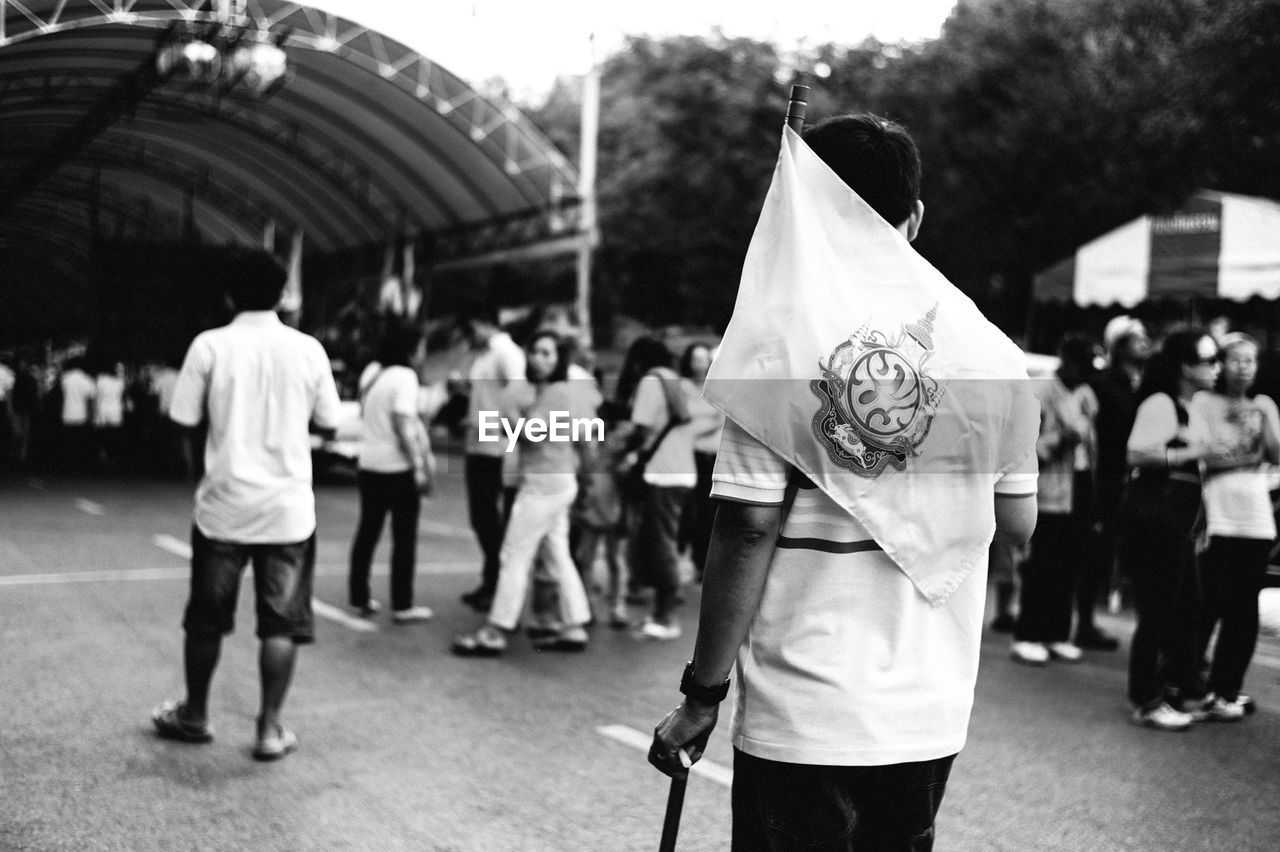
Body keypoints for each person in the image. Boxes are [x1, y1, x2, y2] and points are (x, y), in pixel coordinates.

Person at [648, 114, 1038, 849]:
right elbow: (1016, 526)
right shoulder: (990, 352)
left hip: (804, 708)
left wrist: (703, 695)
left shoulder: (780, 345)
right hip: (927, 708)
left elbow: (747, 528)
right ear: (914, 218)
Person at [150, 249, 342, 761]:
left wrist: (203, 475)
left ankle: (194, 714)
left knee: (206, 620)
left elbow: (182, 421)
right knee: (282, 623)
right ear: (283, 295)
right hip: (288, 512)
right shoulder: (309, 350)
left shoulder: (209, 346)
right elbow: (329, 422)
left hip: (223, 509)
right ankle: (269, 729)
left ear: (228, 295)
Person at [452, 330, 595, 656]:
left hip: (543, 485)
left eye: (548, 353)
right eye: (536, 351)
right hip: (554, 482)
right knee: (557, 554)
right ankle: (574, 625)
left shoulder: (558, 392)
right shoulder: (544, 390)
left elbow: (532, 434)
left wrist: (505, 418)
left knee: (513, 555)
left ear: (559, 359)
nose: (540, 358)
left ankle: (495, 630)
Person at [1123, 329, 1219, 731]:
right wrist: (1192, 451)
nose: (1215, 369)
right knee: (1159, 611)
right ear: (1185, 366)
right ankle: (1145, 698)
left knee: (1187, 607)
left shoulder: (1189, 406)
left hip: (1180, 526)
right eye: (1208, 360)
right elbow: (1136, 452)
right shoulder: (1161, 403)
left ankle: (1179, 686)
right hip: (1157, 524)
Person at [1187, 333, 1279, 721]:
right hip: (1218, 511)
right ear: (1221, 364)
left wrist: (1260, 420)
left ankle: (1226, 690)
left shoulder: (1263, 405)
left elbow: (1274, 453)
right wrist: (1245, 455)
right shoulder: (1204, 401)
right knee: (1208, 601)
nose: (1245, 367)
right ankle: (1185, 678)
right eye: (1237, 359)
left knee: (1244, 609)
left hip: (1255, 516)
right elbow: (1205, 455)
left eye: (1251, 360)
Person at [1010, 336, 1097, 666]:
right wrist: (1061, 439)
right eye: (1083, 363)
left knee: (1069, 566)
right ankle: (1028, 634)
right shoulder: (1041, 391)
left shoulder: (1086, 394)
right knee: (1042, 566)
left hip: (1079, 488)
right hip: (1048, 491)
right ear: (1067, 361)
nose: (1087, 371)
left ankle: (1058, 633)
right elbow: (1024, 447)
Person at [347, 323, 435, 623]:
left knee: (367, 532)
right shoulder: (405, 377)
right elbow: (403, 424)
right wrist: (419, 466)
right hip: (396, 467)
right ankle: (402, 604)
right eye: (421, 347)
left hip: (368, 463)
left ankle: (359, 597)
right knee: (404, 537)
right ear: (410, 348)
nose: (423, 353)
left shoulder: (372, 371)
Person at [1081, 321, 1151, 649]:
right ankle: (1084, 620)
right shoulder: (1105, 383)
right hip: (1107, 475)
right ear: (1120, 346)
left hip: (1136, 474)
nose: (1144, 344)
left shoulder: (1145, 384)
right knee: (1098, 547)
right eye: (1136, 340)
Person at [624, 337, 695, 640]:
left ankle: (666, 617)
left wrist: (624, 451)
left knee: (661, 545)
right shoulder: (676, 380)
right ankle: (658, 613)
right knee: (660, 542)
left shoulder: (651, 382)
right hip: (681, 470)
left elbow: (639, 427)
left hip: (662, 473)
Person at [459, 307, 526, 613]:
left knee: (489, 518)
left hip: (495, 448)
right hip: (477, 444)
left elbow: (518, 393)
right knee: (481, 517)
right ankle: (490, 580)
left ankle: (498, 583)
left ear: (484, 322)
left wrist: (503, 428)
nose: (469, 336)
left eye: (471, 328)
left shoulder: (505, 352)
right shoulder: (484, 354)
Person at [677, 342, 725, 580]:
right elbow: (682, 417)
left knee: (707, 511)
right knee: (686, 510)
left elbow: (720, 418)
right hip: (687, 455)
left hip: (710, 455)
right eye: (695, 359)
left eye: (703, 358)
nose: (699, 364)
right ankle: (679, 556)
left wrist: (696, 430)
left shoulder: (715, 386)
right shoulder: (682, 387)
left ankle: (700, 562)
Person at [59, 356, 96, 472]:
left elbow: (60, 396)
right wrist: (91, 415)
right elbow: (91, 400)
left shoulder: (64, 378)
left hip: (67, 413)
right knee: (81, 441)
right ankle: (80, 465)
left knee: (68, 441)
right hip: (82, 414)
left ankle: (68, 464)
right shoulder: (87, 380)